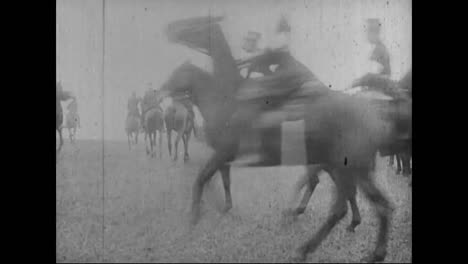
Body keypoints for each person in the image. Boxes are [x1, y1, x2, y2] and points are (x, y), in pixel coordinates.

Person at [350, 18, 395, 96]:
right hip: (375, 90)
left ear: (374, 33)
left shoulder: (380, 49)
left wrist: (356, 82)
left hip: (377, 92)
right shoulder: (378, 48)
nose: (365, 35)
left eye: (366, 31)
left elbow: (372, 76)